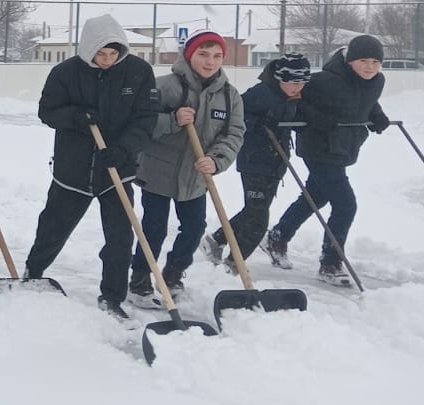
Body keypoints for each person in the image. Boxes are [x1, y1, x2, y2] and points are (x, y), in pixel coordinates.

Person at [22, 14, 160, 320]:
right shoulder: (66, 73)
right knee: (54, 227)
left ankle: (112, 296)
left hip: (117, 168)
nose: (108, 60)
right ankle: (33, 271)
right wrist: (76, 118)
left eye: (114, 54)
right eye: (101, 54)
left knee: (120, 236)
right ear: (88, 49)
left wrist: (124, 149)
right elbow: (47, 111)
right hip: (74, 168)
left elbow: (146, 117)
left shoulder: (138, 73)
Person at [126, 30, 244, 301]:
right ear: (189, 55)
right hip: (157, 172)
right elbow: (139, 124)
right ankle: (141, 275)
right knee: (153, 228)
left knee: (194, 228)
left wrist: (216, 160)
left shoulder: (229, 96)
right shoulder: (164, 87)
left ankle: (174, 273)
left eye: (217, 56)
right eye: (203, 54)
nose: (210, 61)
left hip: (196, 176)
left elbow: (234, 134)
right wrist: (172, 120)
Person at [264, 35, 390, 287]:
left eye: (376, 62)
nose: (370, 67)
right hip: (318, 148)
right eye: (363, 60)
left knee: (316, 196)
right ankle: (330, 263)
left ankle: (278, 236)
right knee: (346, 205)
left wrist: (378, 115)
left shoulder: (376, 82)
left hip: (344, 147)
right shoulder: (324, 81)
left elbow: (365, 101)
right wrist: (317, 119)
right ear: (350, 60)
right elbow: (295, 100)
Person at [199, 53, 311, 268]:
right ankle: (234, 265)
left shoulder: (290, 97)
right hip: (254, 160)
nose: (298, 87)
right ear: (280, 79)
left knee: (253, 210)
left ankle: (216, 240)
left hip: (276, 162)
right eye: (294, 82)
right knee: (259, 220)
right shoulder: (260, 94)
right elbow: (236, 118)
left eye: (302, 83)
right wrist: (258, 124)